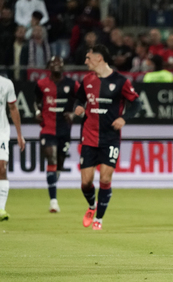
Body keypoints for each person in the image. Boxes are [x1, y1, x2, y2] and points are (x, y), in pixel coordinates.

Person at [73, 45, 141, 230]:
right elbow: (79, 98)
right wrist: (78, 107)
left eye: (88, 58)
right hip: (88, 136)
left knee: (104, 178)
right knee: (86, 182)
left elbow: (136, 103)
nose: (86, 61)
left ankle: (99, 219)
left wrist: (123, 118)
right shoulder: (86, 80)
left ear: (99, 58)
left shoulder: (120, 81)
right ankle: (91, 206)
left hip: (110, 137)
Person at [34, 56, 79, 213]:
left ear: (64, 66)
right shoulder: (41, 84)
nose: (57, 65)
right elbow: (36, 101)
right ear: (49, 67)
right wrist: (38, 111)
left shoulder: (72, 84)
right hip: (47, 128)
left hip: (64, 129)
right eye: (54, 63)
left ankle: (53, 181)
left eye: (59, 63)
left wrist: (74, 113)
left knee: (59, 162)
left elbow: (85, 100)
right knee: (51, 158)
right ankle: (53, 201)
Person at [0, 74, 26, 221]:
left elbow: (13, 108)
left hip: (1, 132)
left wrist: (19, 134)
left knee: (2, 168)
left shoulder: (6, 84)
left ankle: (1, 209)